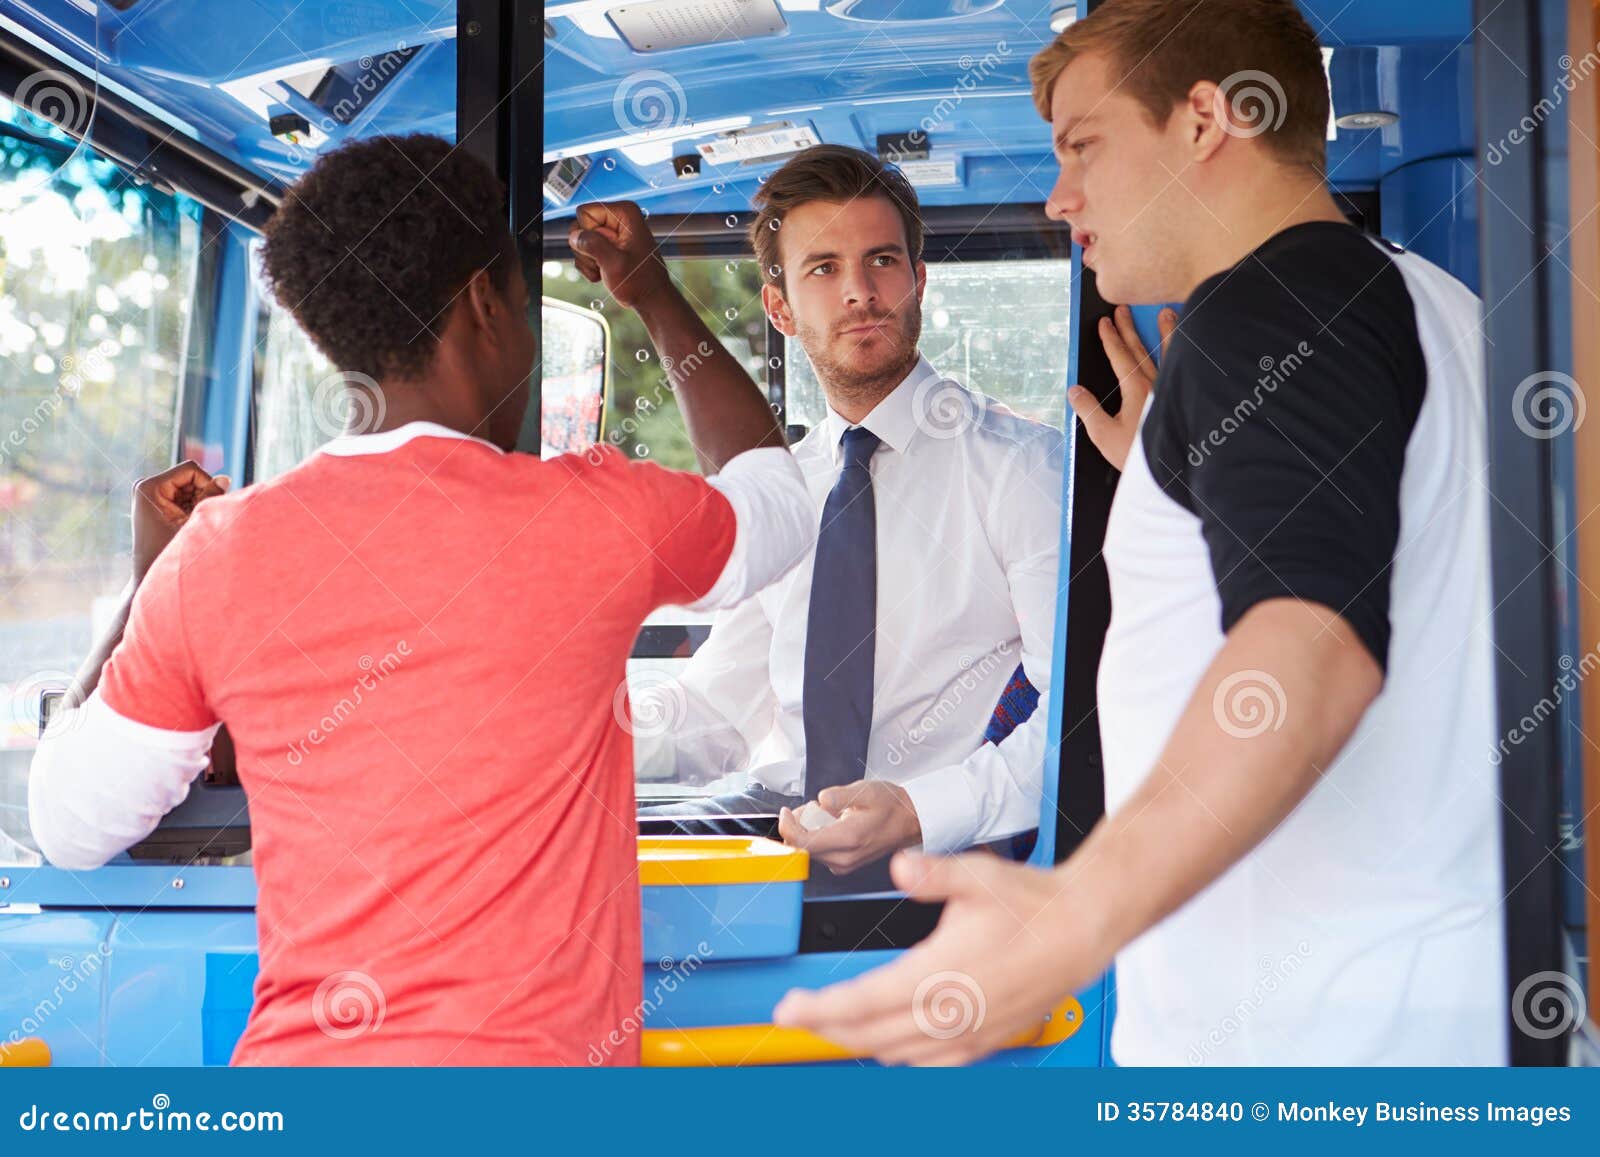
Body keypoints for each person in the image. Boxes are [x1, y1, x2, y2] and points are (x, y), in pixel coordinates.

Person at [776, 0, 1502, 1064]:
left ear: (1206, 119)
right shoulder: (1432, 304)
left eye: (1082, 146)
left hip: (1299, 1040)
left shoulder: (1266, 312)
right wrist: (1184, 474)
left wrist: (1071, 912)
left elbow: (1312, 647)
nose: (1058, 193)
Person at [27, 134, 816, 1066]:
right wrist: (650, 292)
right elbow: (777, 498)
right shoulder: (589, 513)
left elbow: (69, 826)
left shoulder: (220, 553)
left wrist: (152, 581)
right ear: (485, 304)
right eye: (525, 307)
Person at [581, 146, 1064, 890]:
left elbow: (1074, 714)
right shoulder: (789, 491)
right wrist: (571, 726)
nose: (860, 293)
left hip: (942, 853)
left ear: (919, 281)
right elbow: (718, 709)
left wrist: (919, 809)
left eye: (882, 262)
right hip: (779, 829)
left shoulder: (1020, 470)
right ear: (779, 309)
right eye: (824, 269)